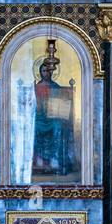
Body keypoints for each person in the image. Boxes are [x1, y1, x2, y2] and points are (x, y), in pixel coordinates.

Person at [31, 48, 77, 178]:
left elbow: (63, 102)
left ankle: (55, 159)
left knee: (58, 125)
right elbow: (33, 106)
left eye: (48, 71)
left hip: (53, 117)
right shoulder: (36, 87)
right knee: (34, 127)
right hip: (40, 118)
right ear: (40, 72)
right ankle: (39, 159)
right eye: (44, 71)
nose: (46, 73)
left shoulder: (56, 87)